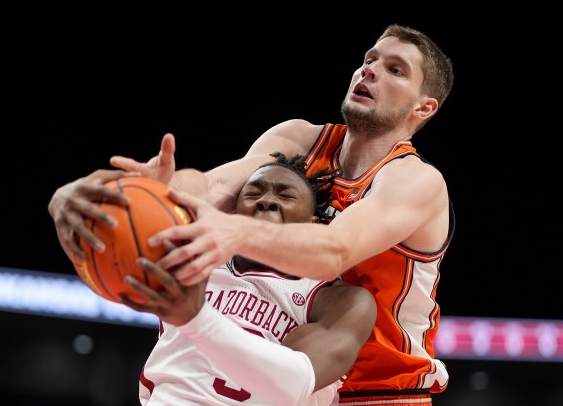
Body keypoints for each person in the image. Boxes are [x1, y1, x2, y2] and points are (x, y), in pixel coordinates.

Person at [49, 24, 455, 405]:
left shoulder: (415, 181)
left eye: (395, 69)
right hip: (282, 370)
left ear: (424, 107)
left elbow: (335, 250)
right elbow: (212, 189)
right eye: (369, 60)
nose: (370, 71)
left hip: (378, 392)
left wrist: (229, 229)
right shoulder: (299, 139)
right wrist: (136, 192)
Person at [120, 153, 376, 406]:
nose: (266, 201)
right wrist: (140, 197)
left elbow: (291, 386)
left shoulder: (337, 300)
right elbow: (111, 250)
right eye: (253, 193)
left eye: (285, 195)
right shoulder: (193, 259)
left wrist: (197, 320)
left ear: (314, 226)